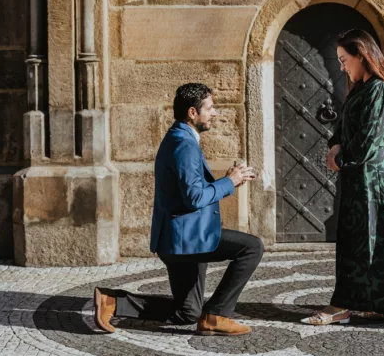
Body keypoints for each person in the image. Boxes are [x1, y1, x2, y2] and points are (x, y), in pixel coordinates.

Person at [94, 83, 263, 336]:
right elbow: (194, 198)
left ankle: (113, 302)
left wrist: (228, 179)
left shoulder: (180, 137)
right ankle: (217, 314)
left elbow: (190, 189)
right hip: (186, 239)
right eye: (210, 108)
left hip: (183, 236)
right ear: (192, 113)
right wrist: (230, 182)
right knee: (252, 247)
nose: (214, 113)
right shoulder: (184, 144)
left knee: (188, 313)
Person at [301, 29, 384, 325]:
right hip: (360, 180)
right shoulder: (362, 88)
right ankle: (368, 303)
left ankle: (344, 306)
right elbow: (344, 128)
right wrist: (335, 145)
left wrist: (340, 158)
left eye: (344, 59)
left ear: (362, 56)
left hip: (375, 184)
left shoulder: (379, 89)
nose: (341, 66)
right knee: (361, 242)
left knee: (372, 242)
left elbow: (370, 142)